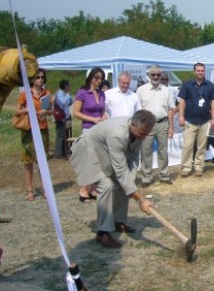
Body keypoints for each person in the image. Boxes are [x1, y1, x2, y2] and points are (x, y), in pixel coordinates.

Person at [69, 109, 156, 248]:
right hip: (88, 150)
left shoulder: (139, 133)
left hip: (102, 150)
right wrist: (141, 200)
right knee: (107, 185)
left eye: (146, 134)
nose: (144, 137)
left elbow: (133, 158)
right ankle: (103, 233)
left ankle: (117, 221)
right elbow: (121, 171)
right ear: (133, 124)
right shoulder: (118, 134)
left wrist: (130, 183)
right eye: (142, 134)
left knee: (125, 183)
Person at [16, 68, 52, 201]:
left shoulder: (47, 93)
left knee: (42, 160)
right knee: (28, 160)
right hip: (28, 129)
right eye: (38, 77)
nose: (40, 79)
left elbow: (51, 110)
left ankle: (45, 188)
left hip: (42, 128)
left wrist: (46, 112)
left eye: (42, 77)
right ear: (32, 79)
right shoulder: (25, 93)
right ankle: (30, 189)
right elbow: (17, 111)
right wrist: (27, 109)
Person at [73, 67, 108, 203]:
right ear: (90, 78)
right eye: (96, 78)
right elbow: (75, 112)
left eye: (101, 78)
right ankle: (83, 189)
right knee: (88, 158)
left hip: (100, 128)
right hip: (88, 127)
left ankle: (93, 188)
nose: (99, 81)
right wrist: (92, 119)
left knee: (98, 159)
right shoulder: (83, 92)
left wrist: (103, 116)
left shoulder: (101, 93)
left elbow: (102, 110)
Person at [137, 65, 176, 186]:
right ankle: (146, 178)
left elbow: (170, 109)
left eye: (158, 75)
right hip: (146, 125)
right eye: (153, 74)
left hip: (162, 123)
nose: (156, 77)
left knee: (163, 152)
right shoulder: (141, 90)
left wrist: (171, 126)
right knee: (146, 151)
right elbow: (138, 110)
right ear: (149, 75)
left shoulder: (166, 90)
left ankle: (164, 175)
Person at [178, 63, 214, 177]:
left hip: (205, 121)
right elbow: (182, 101)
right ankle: (186, 167)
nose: (200, 72)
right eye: (198, 70)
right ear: (194, 71)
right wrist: (181, 116)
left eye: (202, 71)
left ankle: (199, 167)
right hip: (189, 121)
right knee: (187, 146)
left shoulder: (210, 85)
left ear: (204, 72)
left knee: (201, 147)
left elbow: (213, 102)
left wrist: (213, 118)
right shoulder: (187, 85)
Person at [54, 79, 73, 159]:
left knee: (66, 134)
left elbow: (70, 103)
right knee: (61, 135)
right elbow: (63, 102)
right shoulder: (59, 94)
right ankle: (59, 153)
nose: (70, 86)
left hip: (66, 116)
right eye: (69, 85)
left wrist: (69, 98)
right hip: (61, 117)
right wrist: (68, 96)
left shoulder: (65, 94)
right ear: (65, 86)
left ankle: (65, 150)